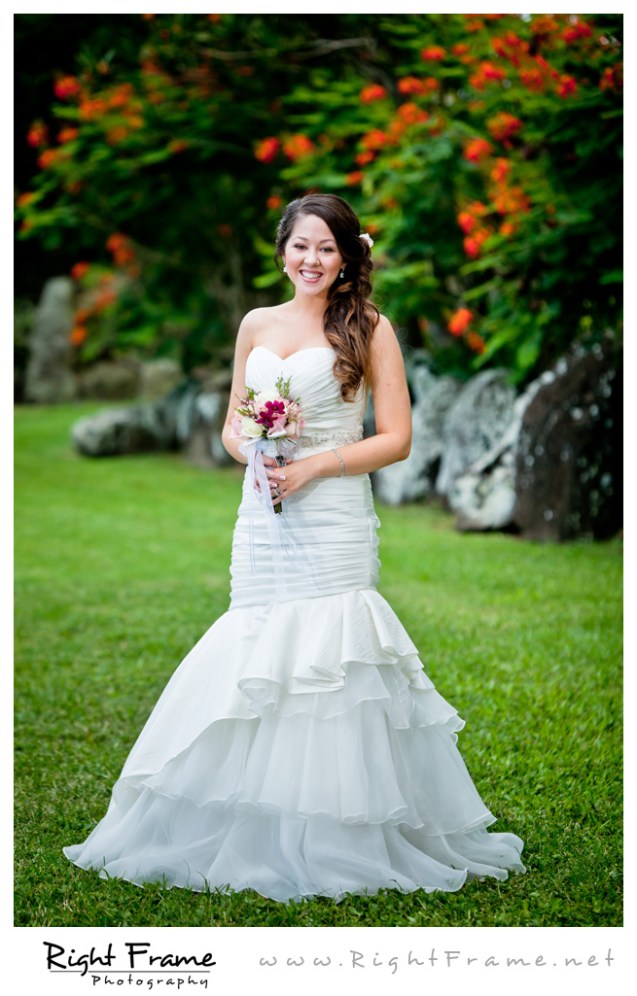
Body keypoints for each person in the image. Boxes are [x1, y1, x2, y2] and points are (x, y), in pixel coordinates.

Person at [64, 193, 525, 902]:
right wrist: (255, 448)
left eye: (327, 248)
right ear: (282, 250)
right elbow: (229, 428)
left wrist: (313, 463)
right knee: (259, 648)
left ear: (346, 258)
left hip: (332, 509)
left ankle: (344, 833)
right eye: (300, 246)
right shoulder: (255, 324)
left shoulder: (368, 327)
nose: (311, 260)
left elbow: (395, 438)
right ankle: (250, 822)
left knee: (328, 660)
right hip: (262, 515)